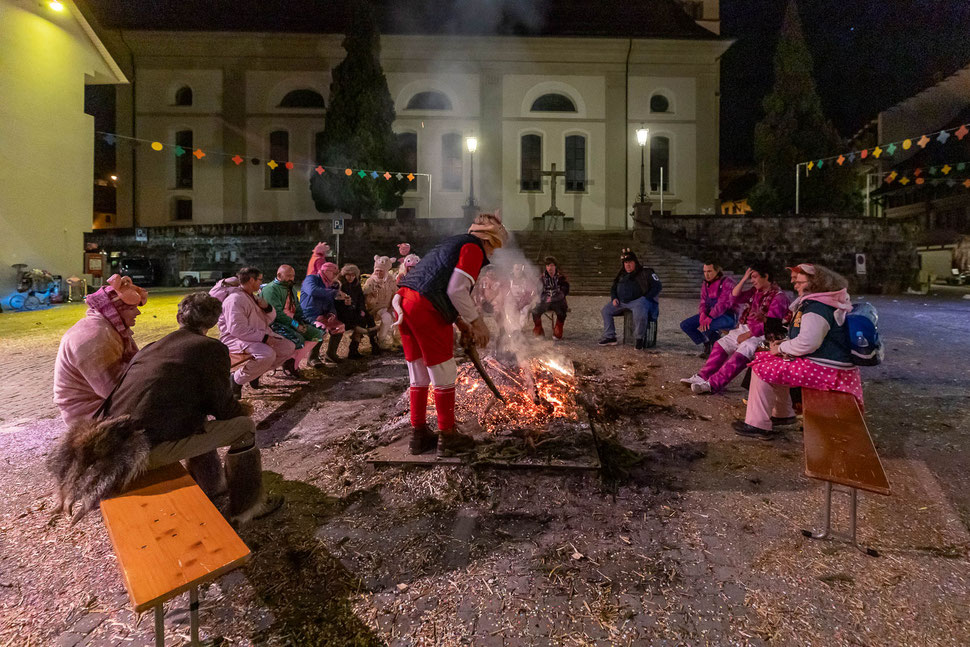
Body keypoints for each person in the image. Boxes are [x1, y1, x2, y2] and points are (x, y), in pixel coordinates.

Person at [47, 292, 283, 525]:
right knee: (244, 428)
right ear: (213, 322)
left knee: (196, 421)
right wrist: (241, 409)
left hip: (116, 439)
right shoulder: (211, 348)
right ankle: (246, 508)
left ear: (180, 317)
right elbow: (223, 409)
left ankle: (212, 487)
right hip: (139, 452)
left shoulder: (153, 346)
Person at [396, 212, 509, 455]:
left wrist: (460, 322)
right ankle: (447, 436)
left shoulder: (451, 243)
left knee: (418, 373)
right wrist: (477, 322)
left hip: (405, 301)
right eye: (494, 248)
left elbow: (438, 283)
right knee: (443, 370)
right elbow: (456, 289)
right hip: (427, 307)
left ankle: (418, 434)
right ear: (489, 240)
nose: (492, 254)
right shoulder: (473, 248)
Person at [734, 264, 861, 439]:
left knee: (761, 369)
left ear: (815, 284)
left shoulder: (817, 308)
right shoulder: (824, 302)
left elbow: (808, 343)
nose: (795, 285)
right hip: (830, 365)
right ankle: (783, 414)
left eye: (800, 282)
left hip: (827, 370)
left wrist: (781, 347)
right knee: (767, 358)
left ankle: (758, 425)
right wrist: (783, 344)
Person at [53, 274, 148, 425]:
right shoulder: (95, 338)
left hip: (102, 404)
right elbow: (115, 391)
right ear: (116, 310)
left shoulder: (111, 329)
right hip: (89, 416)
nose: (138, 313)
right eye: (131, 308)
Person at [683, 262, 789, 394]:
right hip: (747, 328)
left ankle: (713, 384)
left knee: (743, 351)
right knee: (720, 344)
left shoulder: (779, 297)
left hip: (764, 334)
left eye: (755, 277)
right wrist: (743, 280)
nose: (752, 280)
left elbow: (772, 324)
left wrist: (748, 334)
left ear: (766, 276)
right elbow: (734, 298)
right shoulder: (756, 292)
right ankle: (702, 376)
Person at [210, 267, 296, 398]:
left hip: (253, 335)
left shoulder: (251, 296)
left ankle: (253, 374)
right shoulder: (235, 299)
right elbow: (236, 329)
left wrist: (267, 308)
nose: (261, 283)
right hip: (235, 339)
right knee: (267, 355)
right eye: (260, 280)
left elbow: (266, 319)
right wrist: (264, 338)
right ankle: (236, 380)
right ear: (251, 280)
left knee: (288, 347)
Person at [261, 264, 325, 375]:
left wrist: (305, 322)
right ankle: (287, 364)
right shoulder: (270, 290)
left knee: (318, 334)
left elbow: (298, 309)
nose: (291, 278)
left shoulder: (291, 288)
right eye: (288, 276)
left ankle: (293, 361)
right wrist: (296, 325)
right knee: (298, 339)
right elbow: (277, 315)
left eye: (293, 276)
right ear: (279, 275)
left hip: (291, 322)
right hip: (274, 324)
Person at [598, 249, 662, 350]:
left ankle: (639, 339)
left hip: (638, 301)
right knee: (606, 311)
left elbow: (657, 286)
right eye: (625, 263)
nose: (627, 265)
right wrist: (614, 298)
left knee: (640, 314)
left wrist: (645, 298)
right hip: (622, 302)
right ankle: (610, 337)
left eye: (630, 262)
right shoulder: (621, 274)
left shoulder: (646, 272)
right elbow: (613, 287)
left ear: (635, 262)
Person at [679, 262, 739, 358]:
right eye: (705, 271)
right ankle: (706, 342)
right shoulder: (706, 284)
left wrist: (710, 317)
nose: (706, 274)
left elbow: (723, 304)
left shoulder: (727, 283)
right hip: (711, 314)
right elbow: (703, 302)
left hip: (728, 316)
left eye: (709, 271)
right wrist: (702, 314)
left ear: (717, 271)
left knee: (707, 325)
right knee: (686, 325)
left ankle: (716, 350)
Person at [300, 261, 347, 363]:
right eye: (334, 273)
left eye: (337, 274)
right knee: (320, 327)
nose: (335, 276)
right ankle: (312, 357)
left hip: (322, 314)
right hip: (308, 314)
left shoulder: (330, 284)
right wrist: (335, 293)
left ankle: (331, 354)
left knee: (339, 327)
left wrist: (331, 313)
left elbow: (330, 303)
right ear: (325, 271)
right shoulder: (311, 279)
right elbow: (313, 291)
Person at [337, 264, 378, 359]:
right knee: (361, 322)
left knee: (369, 317)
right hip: (344, 312)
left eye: (353, 275)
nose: (350, 277)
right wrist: (346, 303)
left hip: (355, 310)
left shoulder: (356, 284)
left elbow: (360, 299)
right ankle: (353, 350)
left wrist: (361, 309)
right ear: (344, 275)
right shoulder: (340, 285)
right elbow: (337, 302)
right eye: (348, 275)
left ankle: (374, 343)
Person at [363, 255, 398, 348]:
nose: (378, 273)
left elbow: (396, 293)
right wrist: (370, 294)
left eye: (381, 271)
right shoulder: (371, 280)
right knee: (386, 317)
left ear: (386, 271)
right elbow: (364, 293)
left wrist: (392, 307)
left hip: (388, 306)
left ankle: (396, 339)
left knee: (396, 315)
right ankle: (381, 340)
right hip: (375, 308)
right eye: (377, 270)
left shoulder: (391, 280)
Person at [532, 256, 570, 340]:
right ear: (546, 267)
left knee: (562, 312)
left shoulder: (561, 278)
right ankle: (538, 329)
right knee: (535, 311)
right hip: (545, 300)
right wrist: (545, 298)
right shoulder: (541, 278)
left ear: (555, 266)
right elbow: (538, 291)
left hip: (557, 300)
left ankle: (558, 328)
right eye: (548, 265)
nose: (550, 268)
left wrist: (553, 298)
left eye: (552, 265)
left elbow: (564, 291)